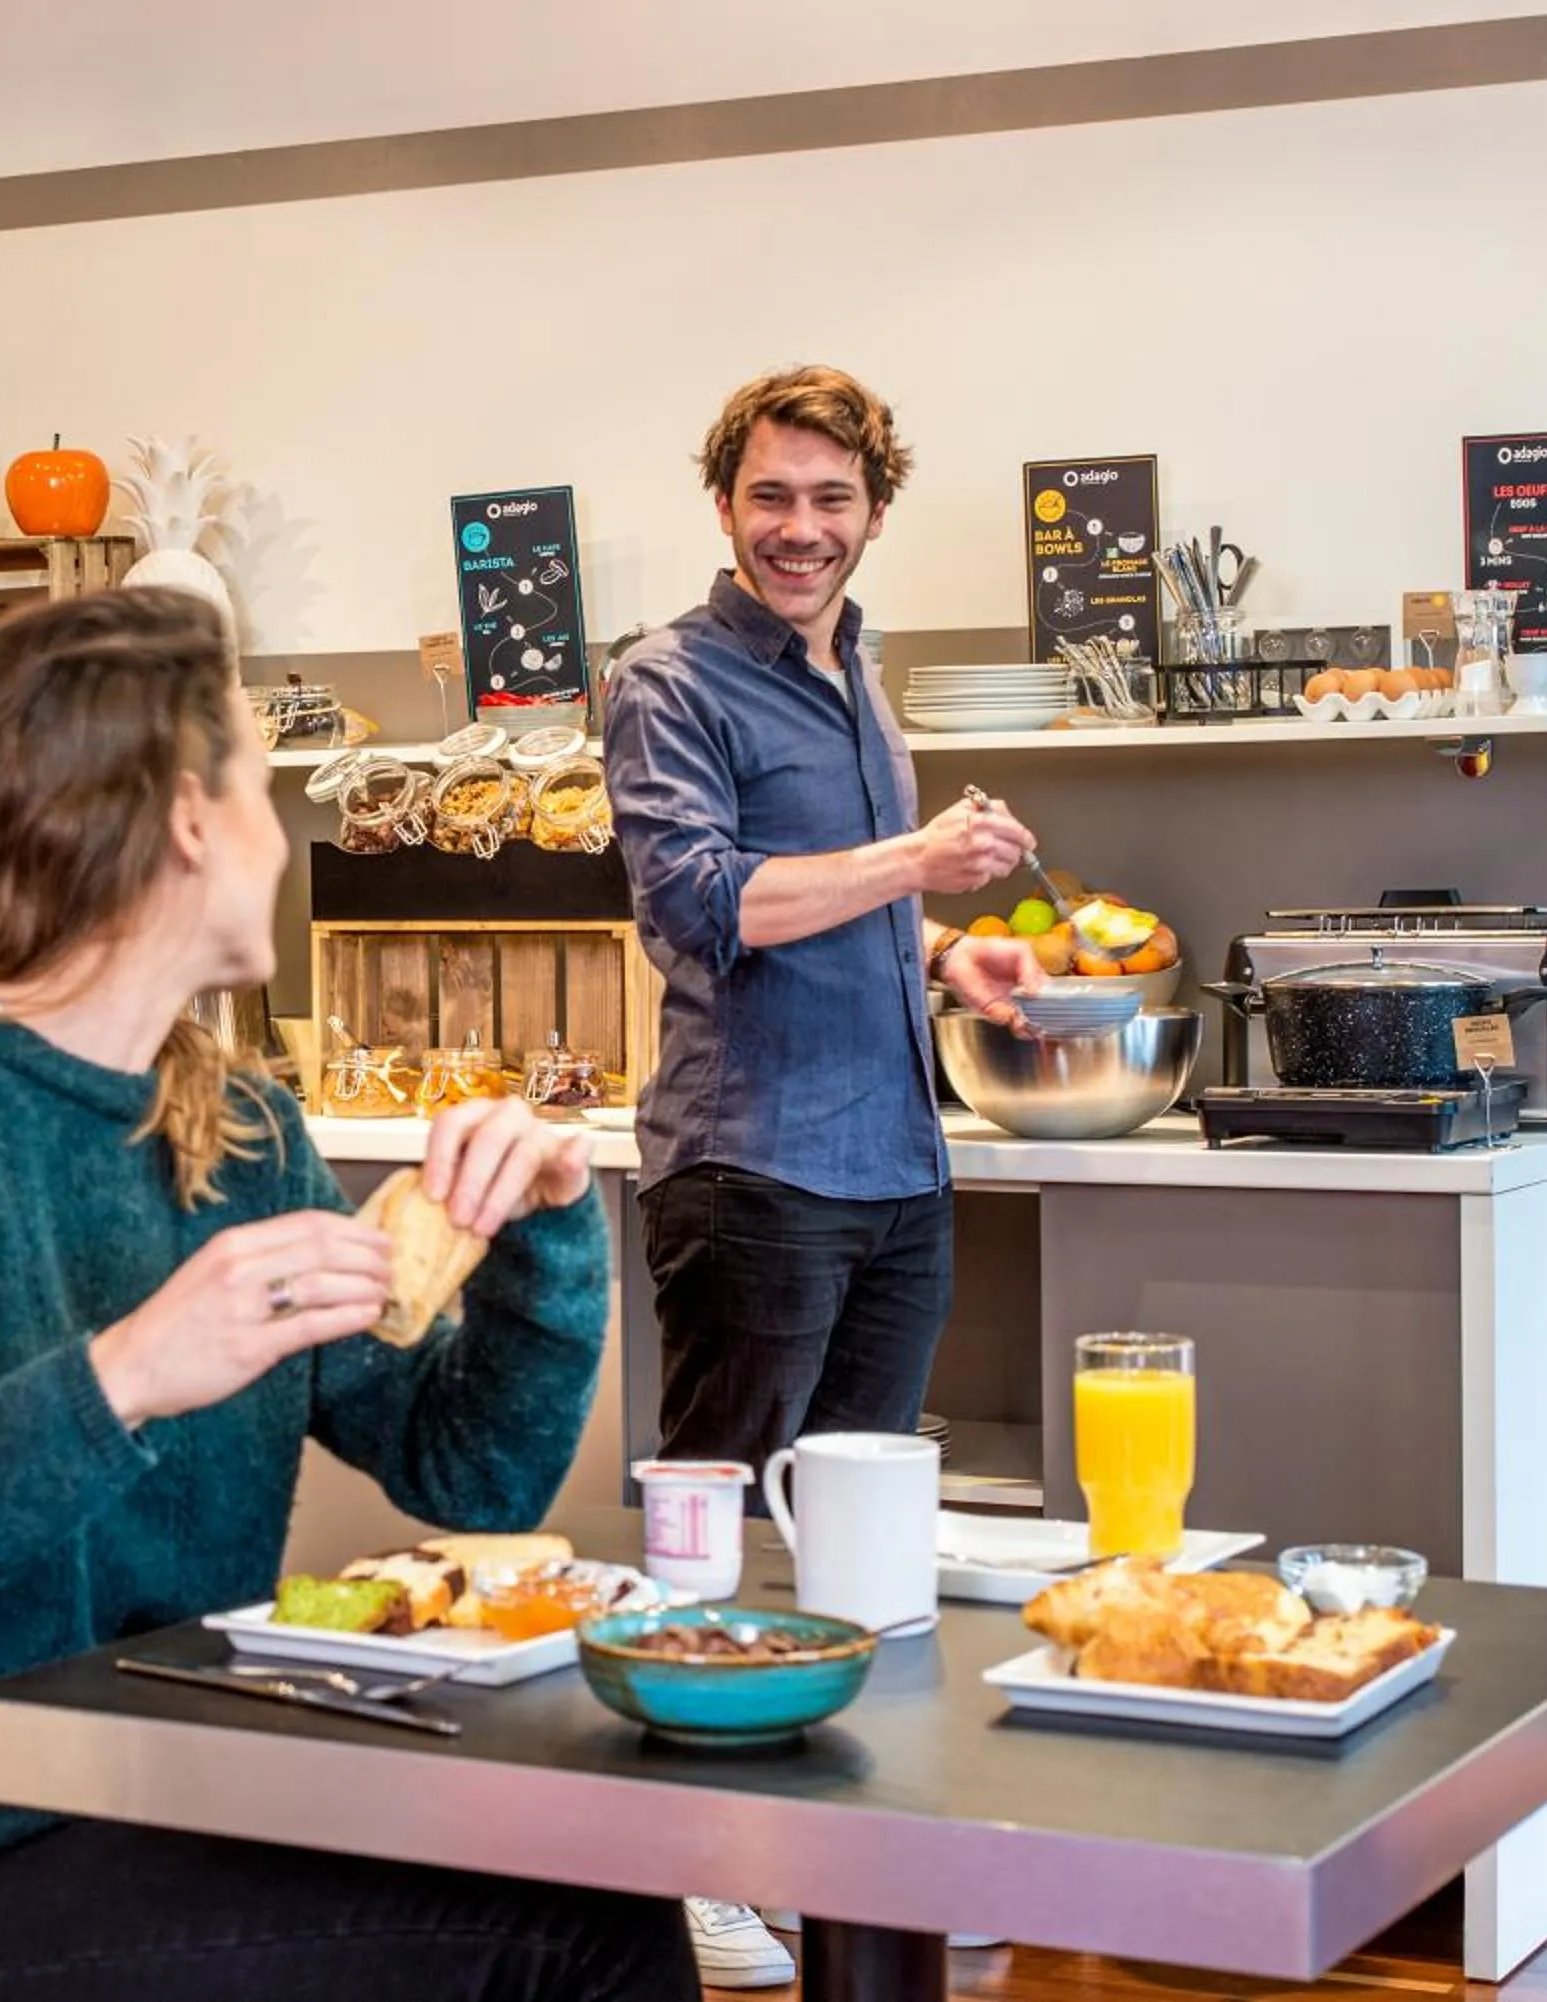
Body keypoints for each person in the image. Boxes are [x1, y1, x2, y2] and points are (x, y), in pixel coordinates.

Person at [0, 587, 696, 2002]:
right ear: (190, 817)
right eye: (261, 787)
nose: (285, 836)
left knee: (592, 1862)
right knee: (586, 1932)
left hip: (155, 1788)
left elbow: (474, 1473)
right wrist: (126, 1375)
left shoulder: (240, 1134)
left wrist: (547, 1234)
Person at [601, 365, 1042, 1985]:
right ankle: (692, 1869)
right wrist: (918, 861)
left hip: (894, 1167)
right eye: (773, 496)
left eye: (832, 499)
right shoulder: (669, 679)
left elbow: (844, 904)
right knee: (713, 1520)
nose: (802, 528)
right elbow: (704, 903)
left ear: (873, 511)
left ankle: (839, 1866)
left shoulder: (858, 666)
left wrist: (941, 953)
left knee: (859, 1542)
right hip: (753, 1164)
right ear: (725, 504)